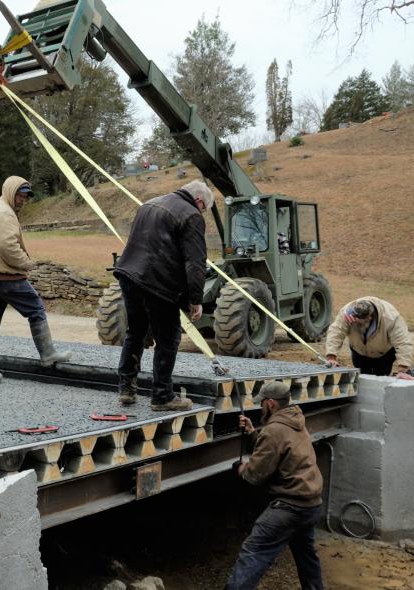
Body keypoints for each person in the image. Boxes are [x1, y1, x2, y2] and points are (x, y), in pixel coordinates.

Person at [113, 180, 212, 411]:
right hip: (158, 284)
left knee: (135, 332)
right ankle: (162, 396)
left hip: (129, 275)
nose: (202, 212)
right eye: (204, 208)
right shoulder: (191, 215)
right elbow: (195, 262)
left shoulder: (149, 204)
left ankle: (126, 389)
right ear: (199, 201)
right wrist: (196, 299)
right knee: (168, 338)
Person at [0, 176, 71, 386]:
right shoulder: (5, 213)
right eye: (20, 195)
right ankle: (48, 355)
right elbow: (7, 246)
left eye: (26, 196)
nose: (23, 199)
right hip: (4, 276)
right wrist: (26, 263)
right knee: (36, 309)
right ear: (10, 192)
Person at [227, 382, 324, 590]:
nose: (260, 407)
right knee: (306, 555)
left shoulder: (274, 430)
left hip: (289, 506)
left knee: (254, 552)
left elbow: (255, 475)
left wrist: (242, 469)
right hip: (311, 504)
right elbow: (279, 449)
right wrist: (254, 434)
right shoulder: (296, 421)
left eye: (261, 403)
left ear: (270, 404)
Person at [325, 297, 414, 379]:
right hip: (359, 352)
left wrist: (402, 370)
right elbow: (336, 332)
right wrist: (331, 357)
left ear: (369, 317)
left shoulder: (391, 317)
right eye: (354, 317)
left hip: (384, 355)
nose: (354, 320)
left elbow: (403, 342)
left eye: (359, 320)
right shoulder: (348, 313)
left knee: (381, 379)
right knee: (362, 380)